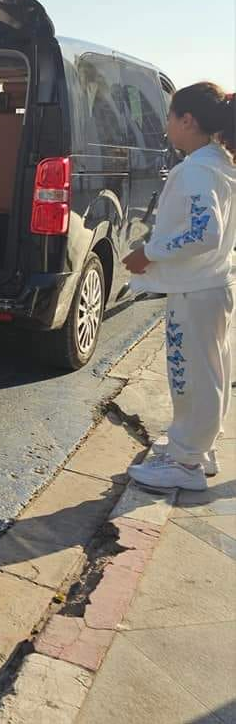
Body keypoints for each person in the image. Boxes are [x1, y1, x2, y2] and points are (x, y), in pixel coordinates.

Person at [123, 81, 236, 491]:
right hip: (211, 285)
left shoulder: (197, 169)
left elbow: (204, 233)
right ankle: (198, 452)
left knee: (190, 374)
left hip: (196, 290)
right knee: (211, 373)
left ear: (188, 120)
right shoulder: (219, 163)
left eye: (171, 117)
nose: (167, 126)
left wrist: (149, 252)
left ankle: (185, 463)